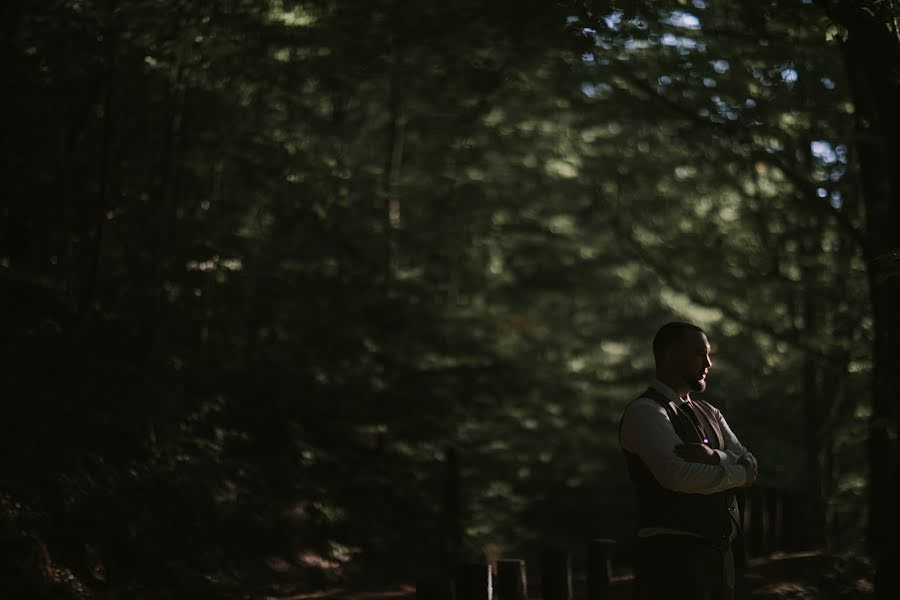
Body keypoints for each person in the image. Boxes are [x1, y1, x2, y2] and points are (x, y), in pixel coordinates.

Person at [619, 322, 758, 600]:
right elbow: (678, 477)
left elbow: (751, 464)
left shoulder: (710, 412)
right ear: (670, 356)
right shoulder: (646, 412)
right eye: (698, 353)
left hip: (719, 557)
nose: (708, 363)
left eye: (708, 354)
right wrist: (738, 471)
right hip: (671, 560)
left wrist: (715, 457)